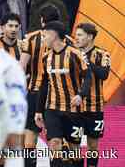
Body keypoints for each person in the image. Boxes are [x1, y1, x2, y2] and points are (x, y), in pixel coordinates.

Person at [34, 21, 92, 167]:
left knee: (75, 151)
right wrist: (39, 110)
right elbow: (44, 84)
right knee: (54, 144)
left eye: (45, 35)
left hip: (74, 111)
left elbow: (88, 77)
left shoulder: (75, 54)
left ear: (54, 35)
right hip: (52, 109)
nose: (43, 38)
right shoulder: (46, 57)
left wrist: (81, 95)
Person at [19, 4, 61, 167]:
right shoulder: (67, 39)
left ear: (42, 20)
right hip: (57, 96)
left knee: (29, 141)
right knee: (56, 140)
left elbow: (21, 67)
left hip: (34, 93)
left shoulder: (31, 38)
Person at [75, 23, 111, 167]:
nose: (76, 38)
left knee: (93, 145)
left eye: (79, 35)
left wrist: (87, 61)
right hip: (75, 107)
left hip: (94, 107)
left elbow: (104, 74)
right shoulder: (72, 52)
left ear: (90, 37)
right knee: (73, 145)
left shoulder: (103, 54)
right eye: (76, 35)